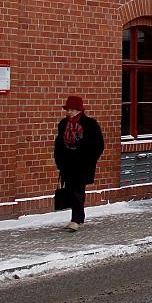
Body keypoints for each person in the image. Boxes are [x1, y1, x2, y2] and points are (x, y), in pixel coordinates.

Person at [54, 95, 105, 232]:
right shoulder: (63, 124)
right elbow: (58, 144)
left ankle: (75, 220)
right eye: (67, 109)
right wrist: (58, 160)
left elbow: (99, 144)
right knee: (71, 190)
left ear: (78, 110)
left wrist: (90, 160)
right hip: (67, 163)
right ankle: (79, 218)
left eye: (71, 109)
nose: (68, 112)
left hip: (83, 164)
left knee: (77, 190)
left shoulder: (90, 124)